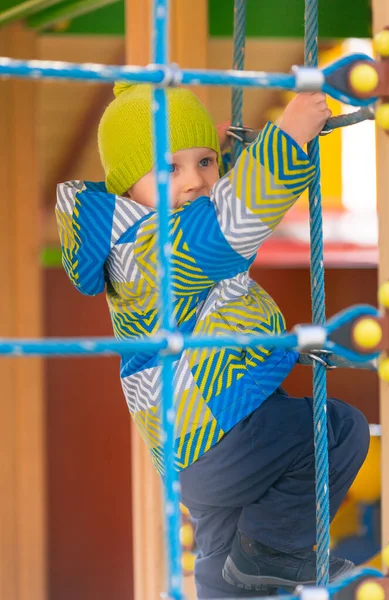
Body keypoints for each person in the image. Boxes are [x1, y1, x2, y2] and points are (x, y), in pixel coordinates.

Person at [56, 83, 369, 599]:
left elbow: (224, 236)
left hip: (196, 449)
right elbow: (231, 221)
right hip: (220, 432)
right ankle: (277, 553)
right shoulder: (147, 251)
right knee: (335, 431)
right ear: (128, 190)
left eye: (205, 161)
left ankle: (252, 567)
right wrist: (286, 139)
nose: (196, 180)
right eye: (170, 169)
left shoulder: (155, 241)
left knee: (225, 573)